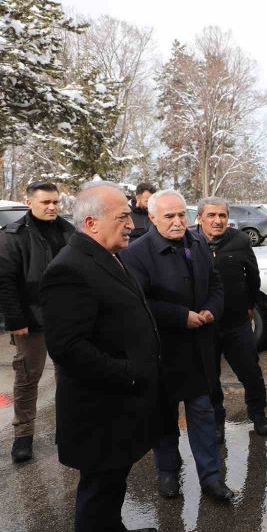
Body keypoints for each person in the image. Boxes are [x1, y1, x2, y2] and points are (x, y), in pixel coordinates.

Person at [40, 181, 159, 532]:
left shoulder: (107, 256)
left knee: (110, 489)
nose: (133, 224)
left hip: (119, 407)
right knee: (97, 495)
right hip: (99, 412)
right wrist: (130, 372)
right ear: (92, 223)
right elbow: (68, 348)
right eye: (123, 216)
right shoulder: (70, 269)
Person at [121, 190, 234, 502]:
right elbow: (139, 302)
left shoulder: (197, 243)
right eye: (169, 216)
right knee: (164, 417)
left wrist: (213, 307)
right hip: (162, 351)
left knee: (203, 414)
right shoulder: (137, 253)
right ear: (153, 218)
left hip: (199, 349)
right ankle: (167, 473)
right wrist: (179, 316)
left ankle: (211, 478)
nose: (177, 221)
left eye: (181, 214)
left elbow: (216, 283)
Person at [0, 181, 74, 462]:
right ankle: (23, 436)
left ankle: (66, 430)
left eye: (55, 202)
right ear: (29, 202)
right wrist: (15, 318)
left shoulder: (68, 231)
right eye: (46, 202)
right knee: (28, 377)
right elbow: (4, 280)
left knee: (68, 375)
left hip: (67, 318)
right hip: (31, 320)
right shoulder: (13, 234)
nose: (52, 207)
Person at [193, 196, 267, 442]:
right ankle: (217, 420)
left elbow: (253, 277)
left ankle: (258, 413)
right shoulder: (189, 242)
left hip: (237, 322)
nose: (217, 221)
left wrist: (249, 305)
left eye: (222, 216)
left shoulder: (239, 240)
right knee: (209, 376)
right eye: (211, 216)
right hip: (205, 325)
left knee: (250, 372)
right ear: (200, 218)